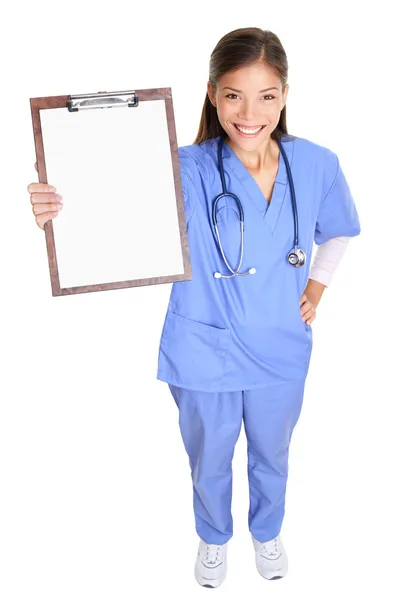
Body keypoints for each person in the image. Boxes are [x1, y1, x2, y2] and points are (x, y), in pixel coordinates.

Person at [27, 27, 361, 588]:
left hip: (281, 340)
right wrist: (55, 209)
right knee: (209, 458)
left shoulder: (317, 164)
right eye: (234, 95)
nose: (249, 113)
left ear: (285, 94)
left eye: (267, 96)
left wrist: (316, 290)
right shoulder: (183, 166)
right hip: (205, 346)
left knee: (272, 452)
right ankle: (213, 538)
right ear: (211, 94)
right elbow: (109, 201)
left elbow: (341, 232)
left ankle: (267, 530)